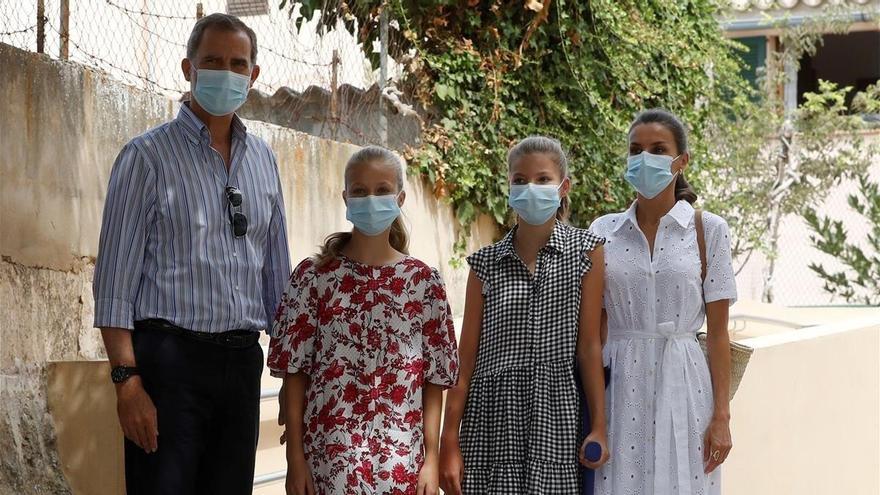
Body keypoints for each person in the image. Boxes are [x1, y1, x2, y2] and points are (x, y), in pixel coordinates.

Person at [92, 13, 291, 495]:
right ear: (188, 68)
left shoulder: (264, 160)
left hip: (242, 363)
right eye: (212, 61)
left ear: (254, 75)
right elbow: (115, 282)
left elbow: (278, 281)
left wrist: (289, 378)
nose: (226, 71)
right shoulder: (146, 157)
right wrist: (128, 382)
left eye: (237, 63)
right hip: (168, 365)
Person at [268, 146, 459, 495]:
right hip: (329, 460)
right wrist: (295, 459)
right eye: (360, 191)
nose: (371, 199)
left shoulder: (423, 283)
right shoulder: (314, 278)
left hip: (401, 464)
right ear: (345, 197)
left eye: (382, 190)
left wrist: (431, 457)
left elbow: (435, 380)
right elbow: (294, 374)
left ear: (400, 198)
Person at [439, 136, 609, 495]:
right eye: (520, 180)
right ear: (509, 187)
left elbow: (590, 348)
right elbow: (464, 363)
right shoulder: (484, 265)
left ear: (564, 187)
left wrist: (599, 425)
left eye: (542, 179)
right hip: (489, 424)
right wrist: (448, 442)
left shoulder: (586, 253)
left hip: (556, 419)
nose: (530, 187)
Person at [590, 109, 737, 494]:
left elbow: (719, 334)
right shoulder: (602, 232)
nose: (644, 159)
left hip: (687, 384)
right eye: (636, 149)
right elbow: (593, 328)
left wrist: (721, 416)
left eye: (658, 149)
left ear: (681, 160)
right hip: (620, 389)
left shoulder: (709, 230)